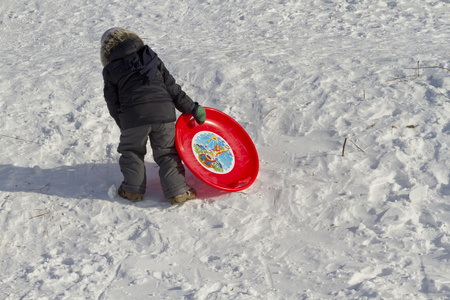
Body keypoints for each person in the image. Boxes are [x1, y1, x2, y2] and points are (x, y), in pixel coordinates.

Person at [100, 27, 206, 205]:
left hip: (132, 117)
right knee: (167, 153)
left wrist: (123, 123)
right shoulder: (150, 57)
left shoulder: (111, 70)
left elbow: (112, 102)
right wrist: (192, 108)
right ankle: (178, 191)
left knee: (132, 152)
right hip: (163, 113)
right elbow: (172, 88)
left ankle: (132, 191)